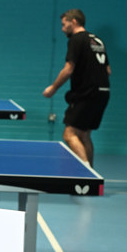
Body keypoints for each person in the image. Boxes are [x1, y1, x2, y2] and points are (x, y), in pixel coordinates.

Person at [43, 9, 111, 167]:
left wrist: (53, 88)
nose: (62, 28)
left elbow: (69, 68)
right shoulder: (97, 41)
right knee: (84, 135)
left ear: (73, 22)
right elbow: (108, 70)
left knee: (69, 134)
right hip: (103, 93)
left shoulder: (76, 39)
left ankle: (85, 171)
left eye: (64, 24)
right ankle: (92, 177)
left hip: (87, 93)